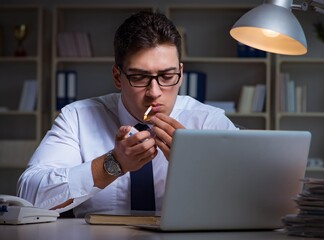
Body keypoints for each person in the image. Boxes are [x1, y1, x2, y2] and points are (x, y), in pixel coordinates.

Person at [17, 11, 238, 217]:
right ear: (117, 76)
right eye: (140, 77)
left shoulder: (209, 121)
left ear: (180, 74)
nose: (154, 92)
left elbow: (254, 195)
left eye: (167, 76)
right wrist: (112, 164)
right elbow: (28, 197)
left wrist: (197, 166)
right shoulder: (77, 118)